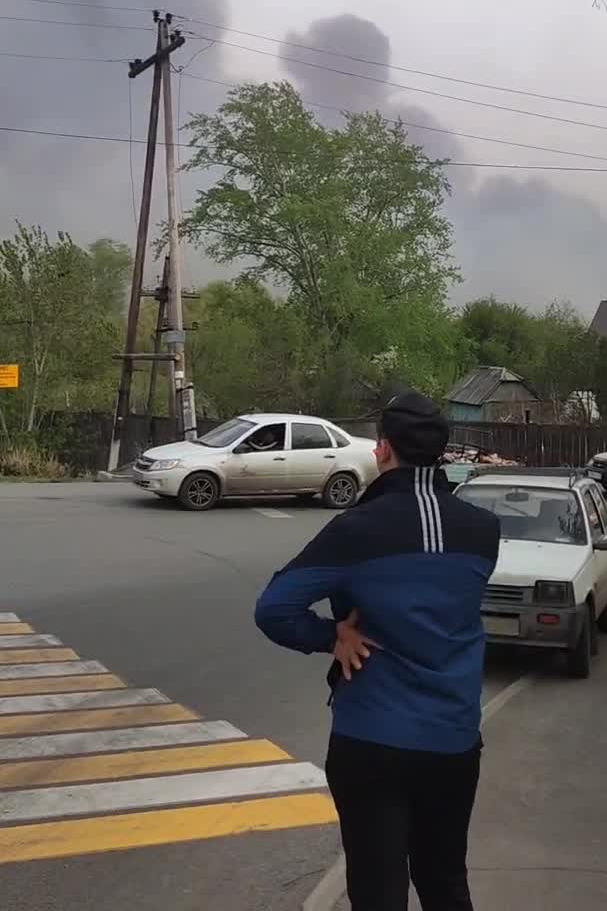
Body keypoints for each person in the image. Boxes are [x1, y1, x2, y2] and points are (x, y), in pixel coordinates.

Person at [255, 390, 499, 911]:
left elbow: (275, 609)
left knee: (377, 890)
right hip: (454, 740)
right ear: (441, 450)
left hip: (371, 740)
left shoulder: (359, 528)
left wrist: (331, 637)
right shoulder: (483, 530)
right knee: (446, 884)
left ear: (382, 449)